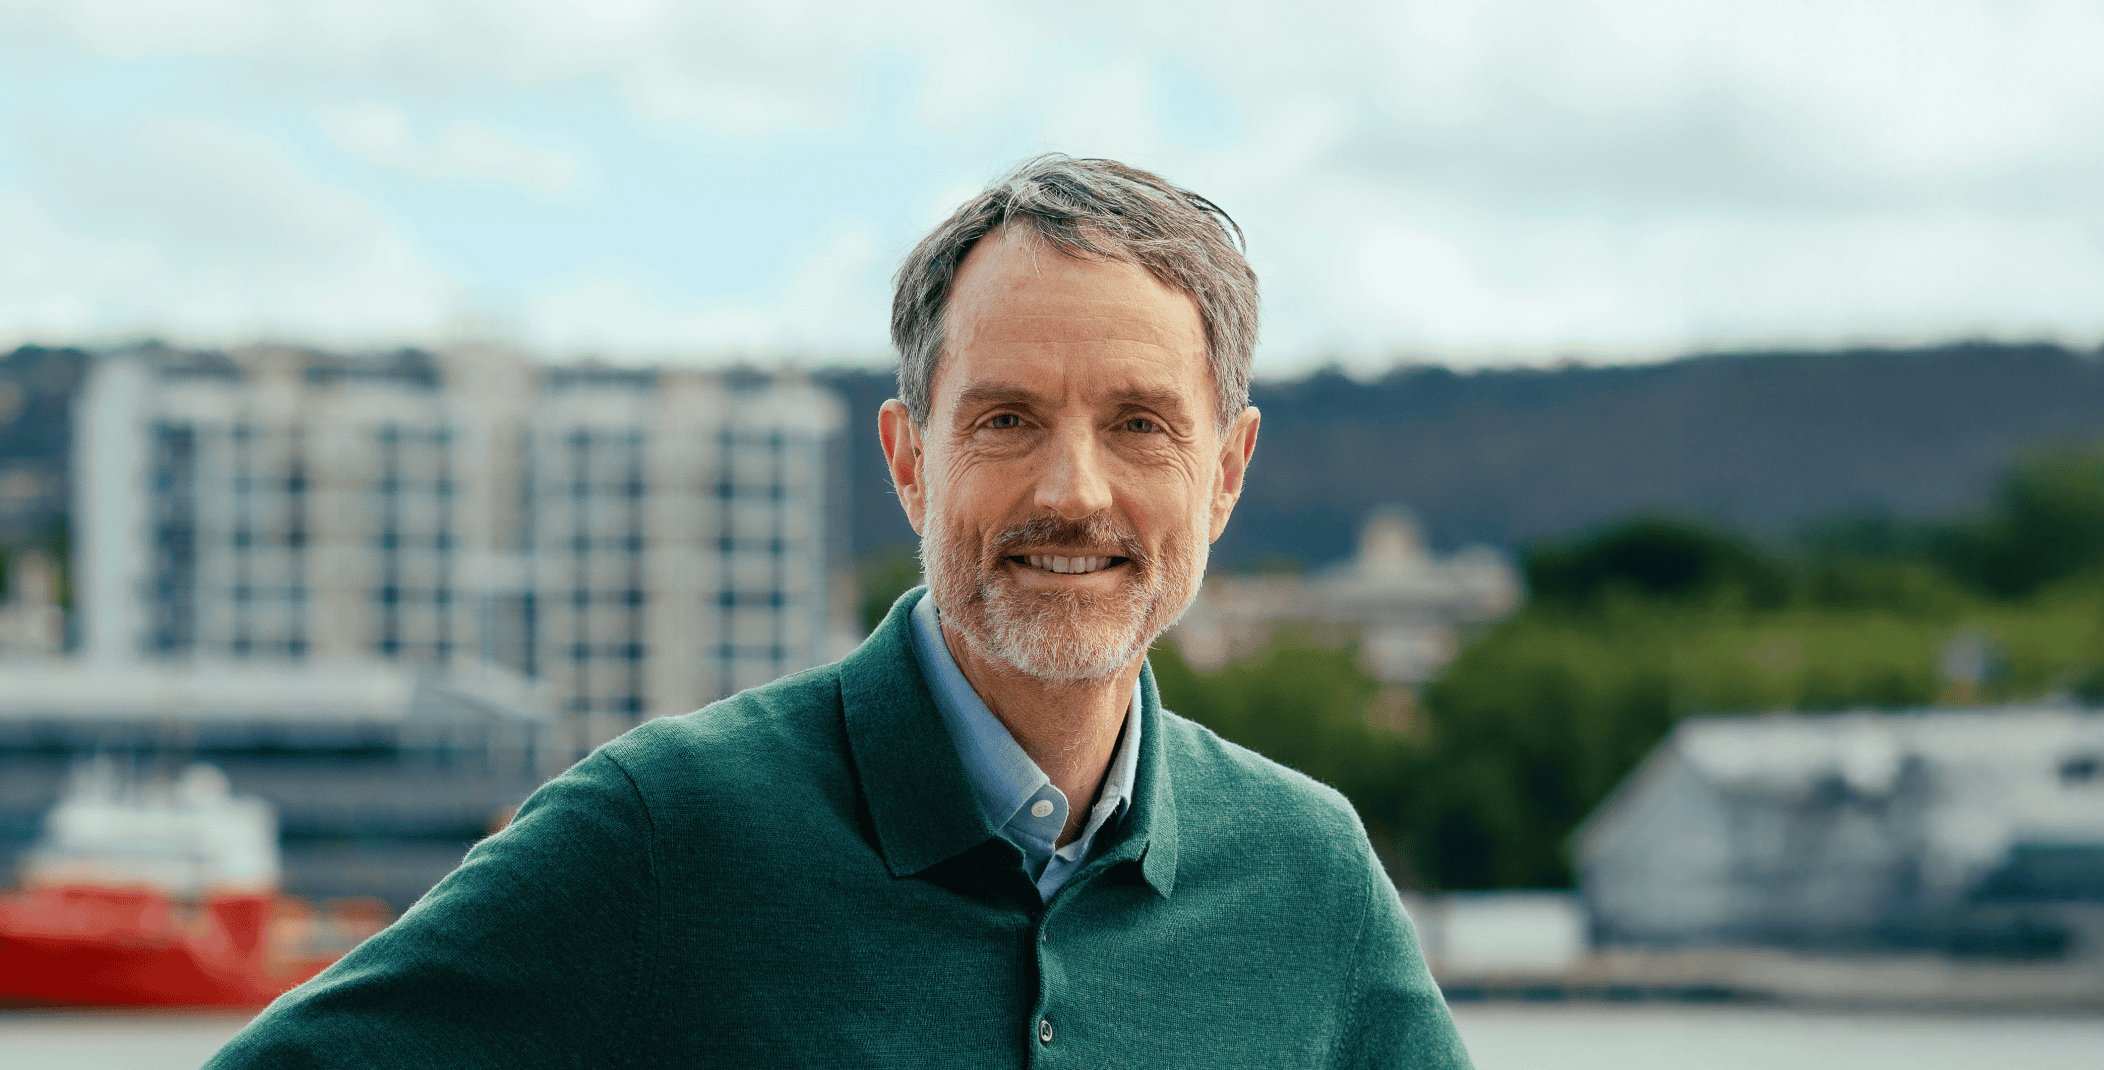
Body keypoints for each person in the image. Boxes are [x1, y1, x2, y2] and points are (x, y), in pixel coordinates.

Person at [208, 154, 1473, 1068]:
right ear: (910, 459)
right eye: (1005, 419)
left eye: (1140, 424)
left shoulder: (1311, 876)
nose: (1072, 490)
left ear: (1228, 472)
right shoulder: (665, 830)